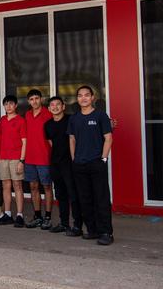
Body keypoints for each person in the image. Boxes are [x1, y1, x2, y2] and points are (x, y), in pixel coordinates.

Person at [68, 86, 114, 245]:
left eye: (87, 95)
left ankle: (106, 232)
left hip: (96, 163)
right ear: (77, 99)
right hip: (79, 165)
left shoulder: (101, 115)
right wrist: (74, 159)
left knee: (101, 199)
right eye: (80, 96)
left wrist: (103, 159)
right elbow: (72, 140)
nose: (83, 98)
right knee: (85, 199)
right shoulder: (74, 118)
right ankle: (92, 230)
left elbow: (108, 138)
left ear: (92, 97)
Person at [44, 96, 83, 237]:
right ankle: (64, 223)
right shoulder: (47, 125)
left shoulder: (71, 120)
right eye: (52, 105)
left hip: (70, 163)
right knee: (60, 195)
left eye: (58, 104)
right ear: (49, 109)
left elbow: (77, 139)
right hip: (55, 164)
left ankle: (77, 225)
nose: (55, 107)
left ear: (63, 106)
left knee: (73, 195)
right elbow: (51, 144)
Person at [23, 89, 54, 230]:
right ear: (28, 101)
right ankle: (37, 216)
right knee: (33, 187)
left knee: (47, 187)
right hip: (30, 158)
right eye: (31, 99)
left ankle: (47, 217)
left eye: (36, 98)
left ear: (41, 99)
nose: (34, 101)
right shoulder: (27, 115)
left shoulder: (49, 114)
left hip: (44, 157)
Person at [0, 95, 26, 228]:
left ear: (16, 105)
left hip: (15, 158)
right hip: (3, 158)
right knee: (5, 186)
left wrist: (21, 160)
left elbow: (25, 142)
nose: (8, 106)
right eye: (6, 104)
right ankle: (7, 213)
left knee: (17, 185)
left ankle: (19, 215)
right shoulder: (2, 120)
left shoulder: (20, 120)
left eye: (11, 104)